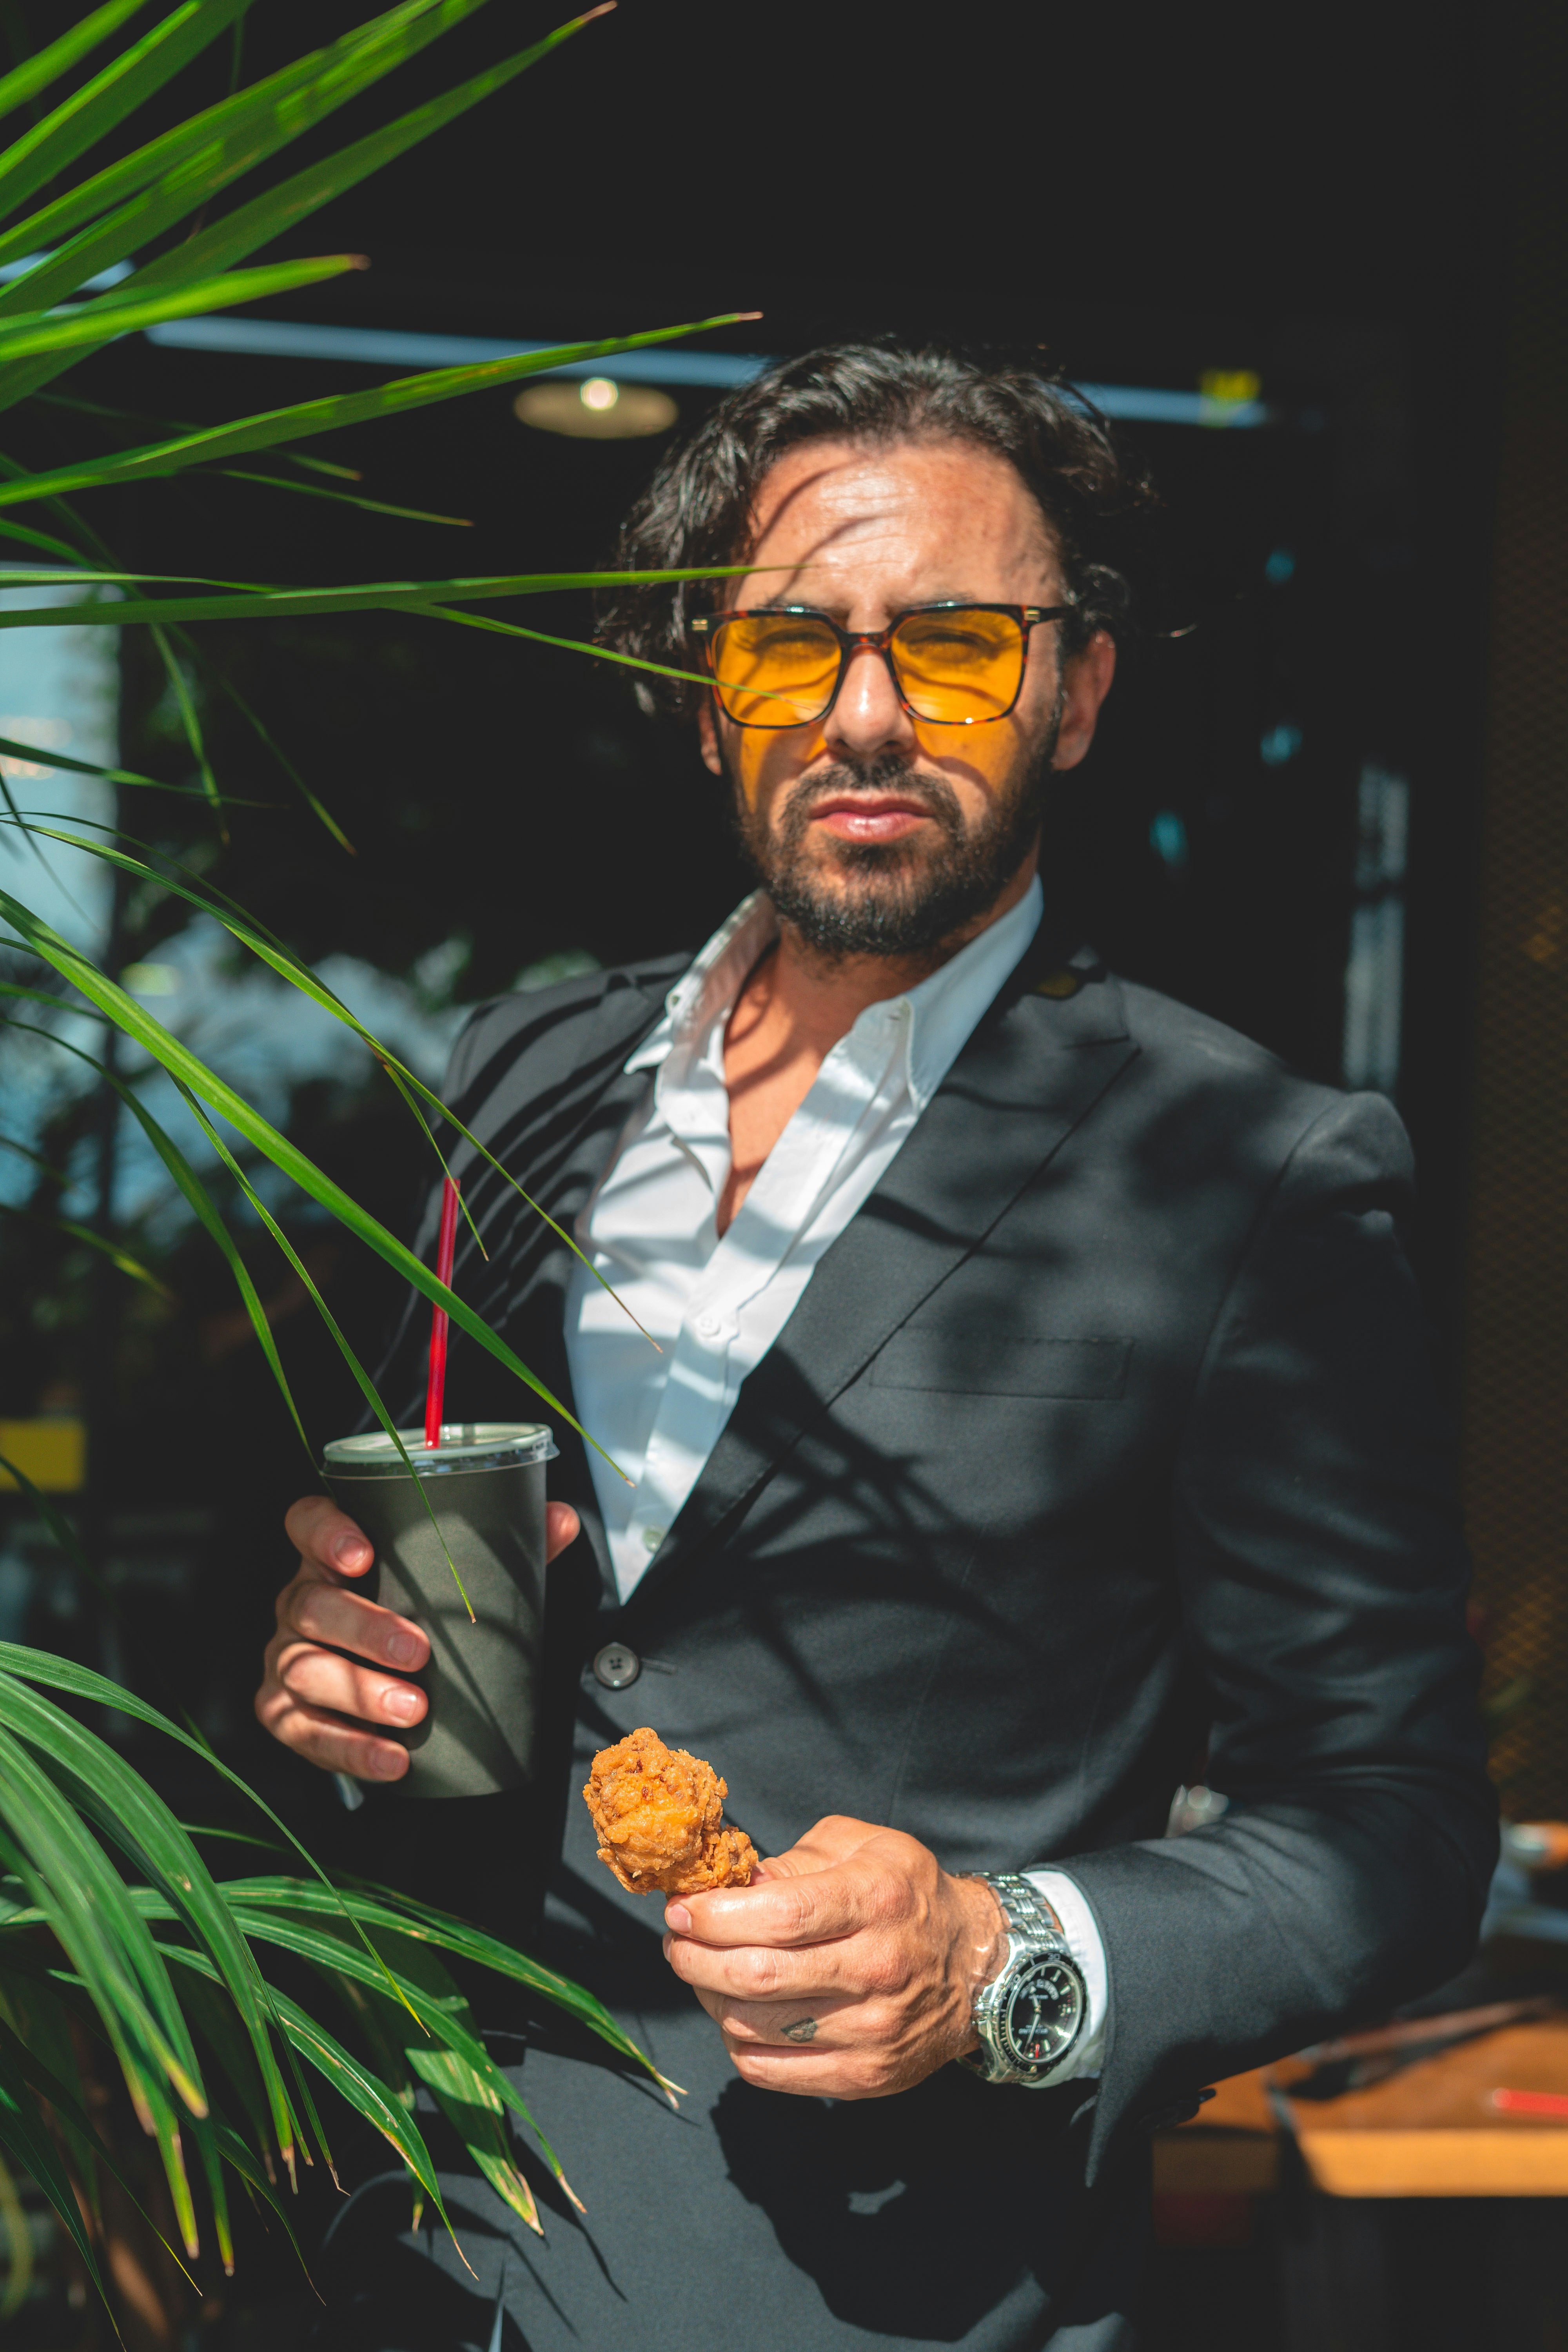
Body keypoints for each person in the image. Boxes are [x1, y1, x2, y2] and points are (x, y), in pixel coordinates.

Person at [256, 342, 1495, 2351]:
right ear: (705, 691)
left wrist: (1005, 1956)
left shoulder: (1250, 1171)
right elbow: (457, 1634)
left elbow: (1394, 1821)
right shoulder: (524, 1069)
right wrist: (345, 1683)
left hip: (859, 2293)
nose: (860, 717)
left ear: (1078, 692)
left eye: (954, 648)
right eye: (789, 650)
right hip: (390, 2237)